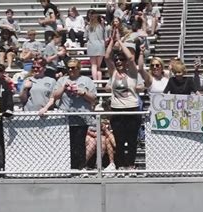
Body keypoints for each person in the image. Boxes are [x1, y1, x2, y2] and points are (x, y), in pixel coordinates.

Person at [39, 59, 97, 170]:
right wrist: (63, 88)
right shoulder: (62, 80)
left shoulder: (86, 80)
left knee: (79, 144)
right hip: (65, 118)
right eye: (69, 67)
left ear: (78, 68)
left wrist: (83, 92)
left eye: (73, 67)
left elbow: (94, 98)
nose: (70, 70)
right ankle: (68, 167)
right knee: (66, 144)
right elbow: (54, 96)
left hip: (81, 117)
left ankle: (80, 167)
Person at [105, 37, 143, 173]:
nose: (119, 62)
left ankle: (130, 165)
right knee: (119, 141)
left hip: (132, 109)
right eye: (117, 61)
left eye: (121, 60)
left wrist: (120, 42)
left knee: (132, 140)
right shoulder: (113, 73)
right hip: (117, 110)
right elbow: (106, 56)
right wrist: (112, 40)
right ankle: (120, 165)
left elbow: (132, 58)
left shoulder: (132, 73)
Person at [85, 11, 107, 81]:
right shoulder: (102, 27)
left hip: (91, 46)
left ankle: (95, 82)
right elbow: (105, 37)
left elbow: (86, 37)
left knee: (93, 65)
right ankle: (100, 83)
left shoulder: (88, 27)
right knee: (98, 67)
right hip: (100, 46)